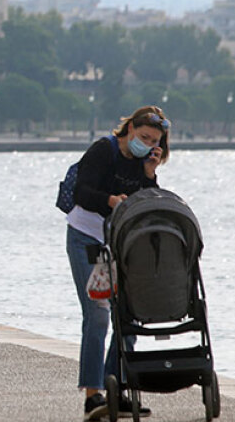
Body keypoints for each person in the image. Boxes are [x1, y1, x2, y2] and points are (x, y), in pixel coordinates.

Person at [66, 105, 169, 421]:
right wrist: (110, 200)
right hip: (86, 237)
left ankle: (116, 389)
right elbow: (82, 192)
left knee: (127, 315)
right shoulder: (103, 149)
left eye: (154, 141)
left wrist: (149, 174)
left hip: (121, 243)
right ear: (130, 129)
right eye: (144, 137)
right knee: (97, 314)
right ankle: (92, 395)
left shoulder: (143, 163)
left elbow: (148, 204)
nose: (147, 144)